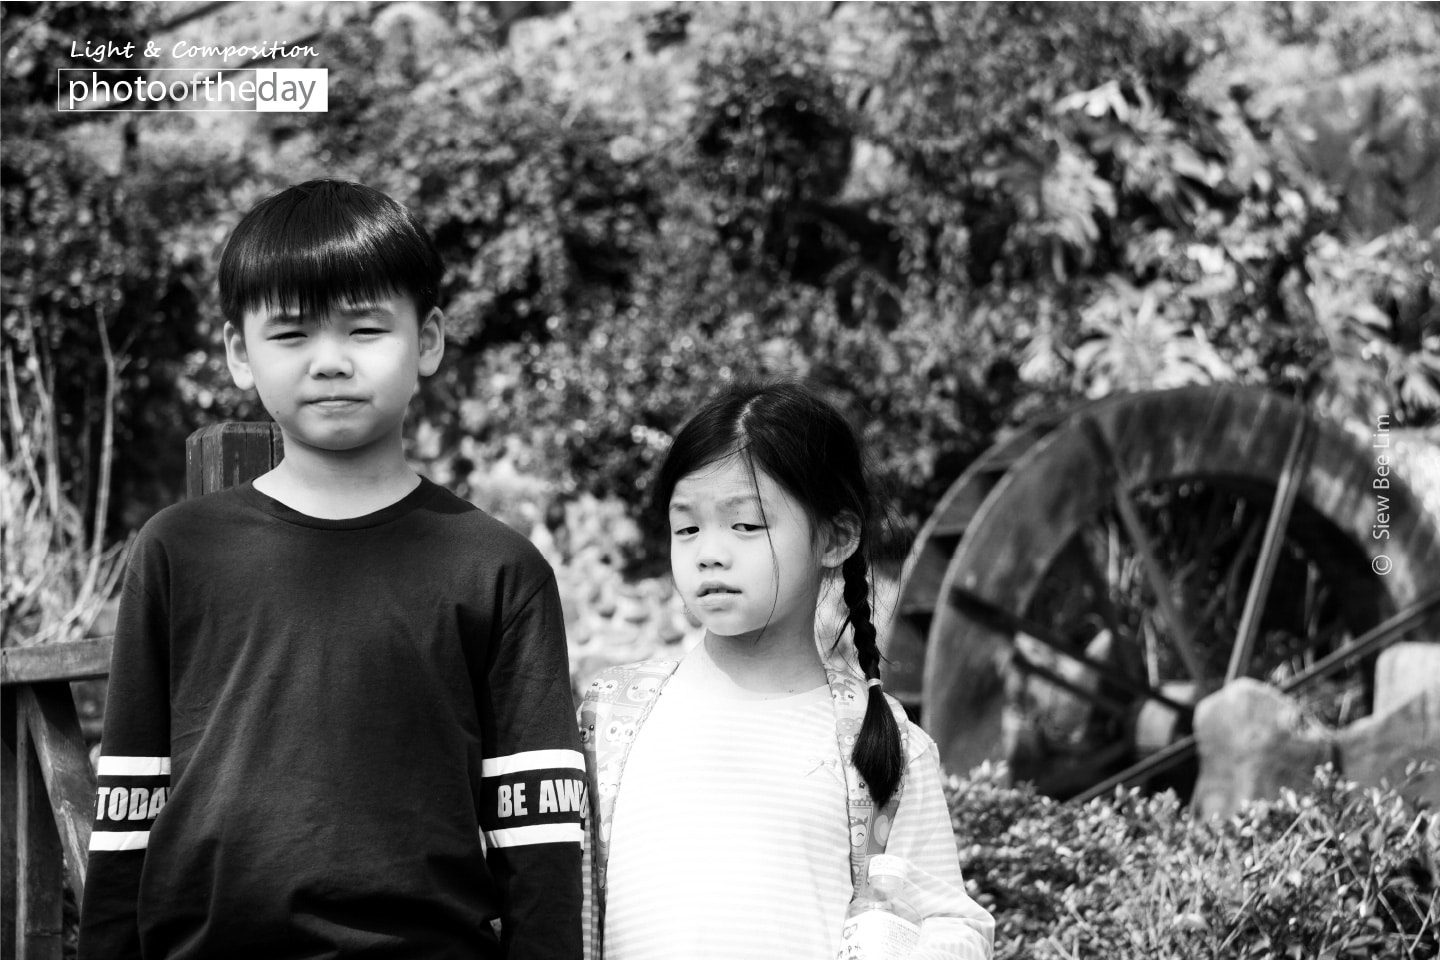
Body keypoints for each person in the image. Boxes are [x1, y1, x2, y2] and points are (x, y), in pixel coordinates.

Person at [79, 179, 585, 960]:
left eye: (365, 328)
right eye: (290, 335)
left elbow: (540, 834)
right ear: (237, 354)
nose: (330, 362)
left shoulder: (497, 567)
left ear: (428, 341)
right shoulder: (177, 550)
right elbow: (129, 803)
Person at [578, 381, 994, 959]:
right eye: (687, 527)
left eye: (745, 525)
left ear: (837, 537)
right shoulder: (611, 717)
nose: (710, 552)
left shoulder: (883, 742)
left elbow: (951, 922)